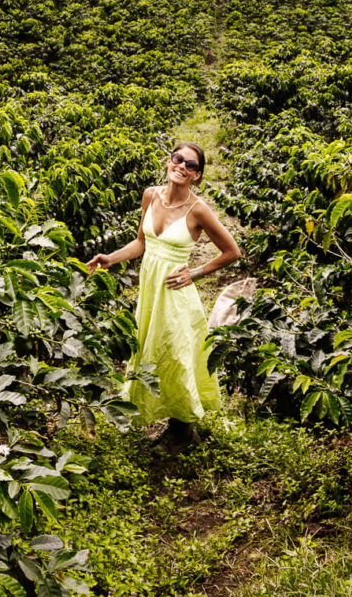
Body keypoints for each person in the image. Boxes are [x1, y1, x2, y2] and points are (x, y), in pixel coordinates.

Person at [88, 142, 241, 450]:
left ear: (197, 176)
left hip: (175, 292)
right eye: (178, 159)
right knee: (151, 348)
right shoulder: (151, 195)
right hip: (150, 289)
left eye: (191, 165)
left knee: (175, 354)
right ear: (169, 162)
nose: (182, 166)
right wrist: (111, 258)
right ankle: (174, 425)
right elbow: (142, 243)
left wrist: (194, 273)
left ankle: (184, 431)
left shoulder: (198, 210)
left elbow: (232, 252)